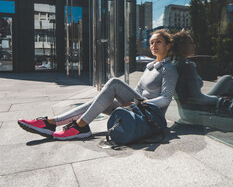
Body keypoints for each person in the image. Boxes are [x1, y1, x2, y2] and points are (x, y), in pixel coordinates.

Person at [18, 29, 178, 140]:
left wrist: (141, 103)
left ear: (168, 45)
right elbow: (136, 91)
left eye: (159, 42)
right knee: (97, 101)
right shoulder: (149, 67)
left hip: (151, 117)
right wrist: (133, 103)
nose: (154, 45)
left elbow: (165, 99)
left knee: (114, 83)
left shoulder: (169, 69)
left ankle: (79, 126)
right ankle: (52, 122)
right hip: (138, 110)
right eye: (151, 42)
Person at [171, 30, 233, 119]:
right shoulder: (186, 66)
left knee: (227, 79)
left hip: (186, 112)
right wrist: (220, 99)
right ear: (181, 46)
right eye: (190, 43)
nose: (194, 46)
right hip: (195, 112)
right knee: (228, 80)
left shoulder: (176, 63)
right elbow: (198, 98)